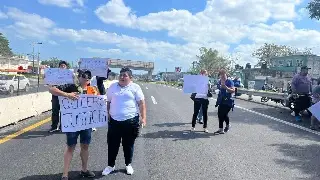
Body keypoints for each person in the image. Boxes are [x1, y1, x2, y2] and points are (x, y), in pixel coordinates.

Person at [49, 69, 96, 180]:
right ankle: (65, 174)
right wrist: (67, 94)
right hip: (72, 123)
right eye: (84, 76)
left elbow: (97, 104)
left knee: (85, 146)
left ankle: (84, 170)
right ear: (79, 77)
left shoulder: (93, 89)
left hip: (86, 123)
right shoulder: (70, 86)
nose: (87, 78)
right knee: (71, 147)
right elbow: (51, 89)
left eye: (89, 76)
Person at [102, 67, 146, 176]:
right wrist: (107, 114)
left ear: (130, 78)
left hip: (130, 121)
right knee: (112, 144)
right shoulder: (112, 87)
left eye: (125, 75)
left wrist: (143, 118)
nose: (122, 77)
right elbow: (108, 102)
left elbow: (141, 103)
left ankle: (128, 164)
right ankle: (110, 166)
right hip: (114, 121)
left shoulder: (135, 87)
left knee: (129, 144)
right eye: (121, 75)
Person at [49, 60, 68, 133]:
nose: (62, 67)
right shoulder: (54, 75)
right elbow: (50, 85)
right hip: (55, 96)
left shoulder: (69, 76)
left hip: (65, 96)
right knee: (55, 112)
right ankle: (54, 127)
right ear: (59, 67)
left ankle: (62, 127)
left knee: (64, 112)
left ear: (66, 67)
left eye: (64, 66)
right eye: (61, 66)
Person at [214, 69, 235, 134]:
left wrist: (226, 88)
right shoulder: (219, 82)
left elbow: (233, 90)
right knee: (220, 114)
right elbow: (218, 89)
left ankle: (225, 127)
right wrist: (216, 90)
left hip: (228, 101)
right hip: (221, 100)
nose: (222, 76)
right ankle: (221, 128)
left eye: (223, 75)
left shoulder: (229, 81)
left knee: (223, 114)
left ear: (226, 74)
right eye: (221, 75)